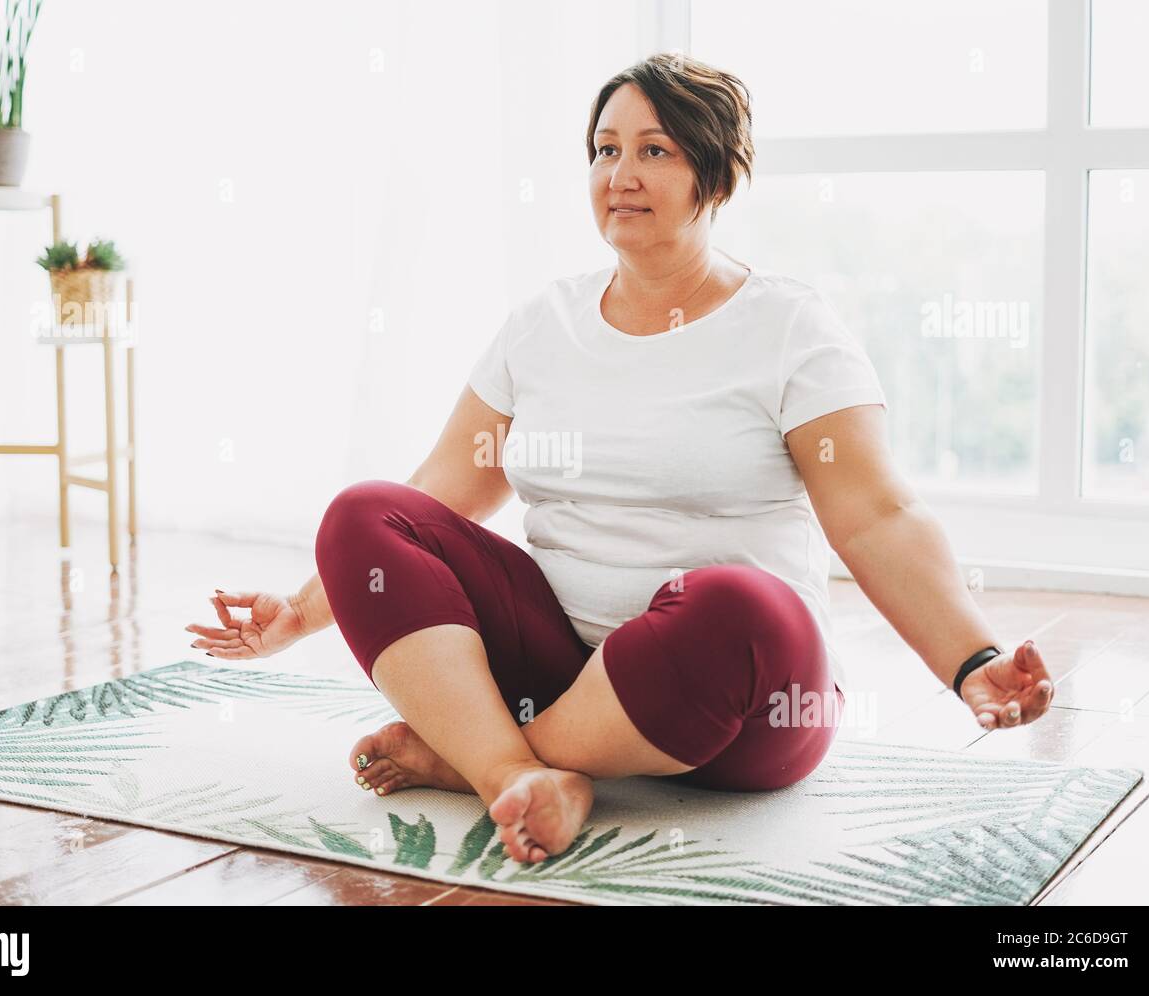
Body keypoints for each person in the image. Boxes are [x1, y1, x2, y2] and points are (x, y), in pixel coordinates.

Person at [187, 53, 1055, 866]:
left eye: (654, 150)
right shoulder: (544, 323)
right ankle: (517, 775)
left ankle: (472, 755)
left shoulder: (792, 330)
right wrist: (299, 613)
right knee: (362, 510)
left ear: (716, 176)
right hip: (560, 666)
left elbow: (878, 518)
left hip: (743, 700)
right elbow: (439, 494)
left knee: (736, 601)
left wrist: (973, 663)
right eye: (605, 150)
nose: (621, 175)